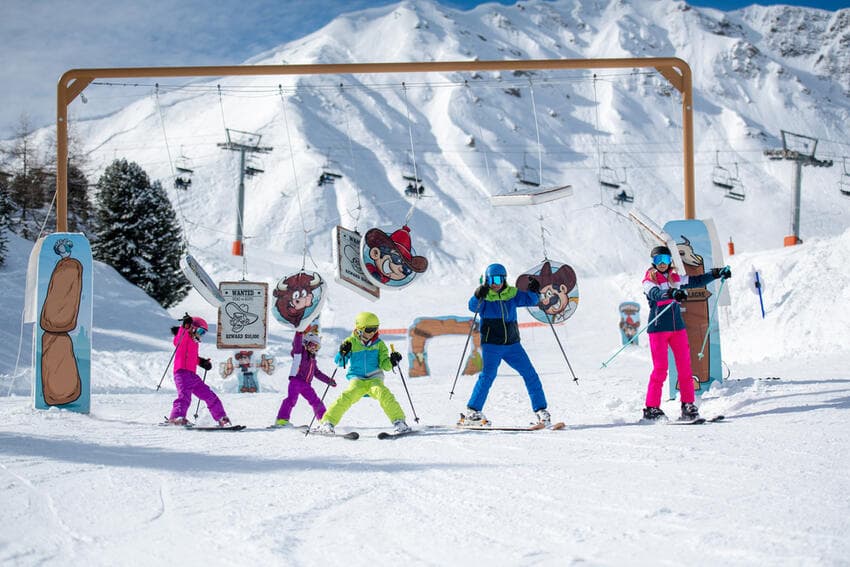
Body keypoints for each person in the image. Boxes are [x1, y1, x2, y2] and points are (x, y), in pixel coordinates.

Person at [642, 245, 732, 421]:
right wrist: (672, 293)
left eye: (665, 260)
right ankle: (651, 408)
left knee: (685, 367)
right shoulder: (649, 280)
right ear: (653, 262)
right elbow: (656, 294)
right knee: (660, 369)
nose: (662, 263)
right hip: (658, 330)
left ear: (670, 261)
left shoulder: (675, 278)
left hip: (678, 329)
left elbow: (697, 281)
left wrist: (716, 273)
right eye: (658, 260)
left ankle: (688, 405)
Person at [462, 263, 552, 427]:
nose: (494, 283)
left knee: (530, 374)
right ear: (486, 280)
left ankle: (541, 411)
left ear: (504, 279)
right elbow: (472, 307)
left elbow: (531, 300)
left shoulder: (512, 294)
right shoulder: (485, 296)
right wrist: (477, 295)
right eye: (491, 280)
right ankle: (473, 411)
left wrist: (534, 290)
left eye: (498, 279)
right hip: (492, 345)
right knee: (487, 376)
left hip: (513, 345)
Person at [318, 312, 410, 434]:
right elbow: (339, 363)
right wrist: (342, 353)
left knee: (384, 394)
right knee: (346, 397)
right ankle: (327, 423)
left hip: (374, 378)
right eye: (369, 329)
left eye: (375, 329)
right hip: (357, 378)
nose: (372, 332)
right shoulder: (350, 342)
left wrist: (392, 361)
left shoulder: (379, 344)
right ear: (360, 329)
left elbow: (385, 365)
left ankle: (400, 422)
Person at [167, 315, 232, 427]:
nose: (201, 334)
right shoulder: (182, 337)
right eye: (200, 331)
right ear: (193, 328)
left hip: (192, 375)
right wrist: (185, 327)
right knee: (184, 397)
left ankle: (222, 418)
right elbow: (179, 339)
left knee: (210, 396)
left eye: (203, 333)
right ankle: (176, 418)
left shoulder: (194, 343)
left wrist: (202, 362)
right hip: (181, 373)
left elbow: (192, 357)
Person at [273, 329, 337, 427]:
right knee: (291, 400)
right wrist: (299, 333)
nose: (314, 348)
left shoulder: (312, 359)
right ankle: (281, 420)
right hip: (296, 381)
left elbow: (317, 373)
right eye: (312, 345)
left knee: (316, 401)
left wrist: (329, 380)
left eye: (317, 347)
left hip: (306, 385)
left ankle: (323, 419)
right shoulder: (299, 353)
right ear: (306, 343)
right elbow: (297, 344)